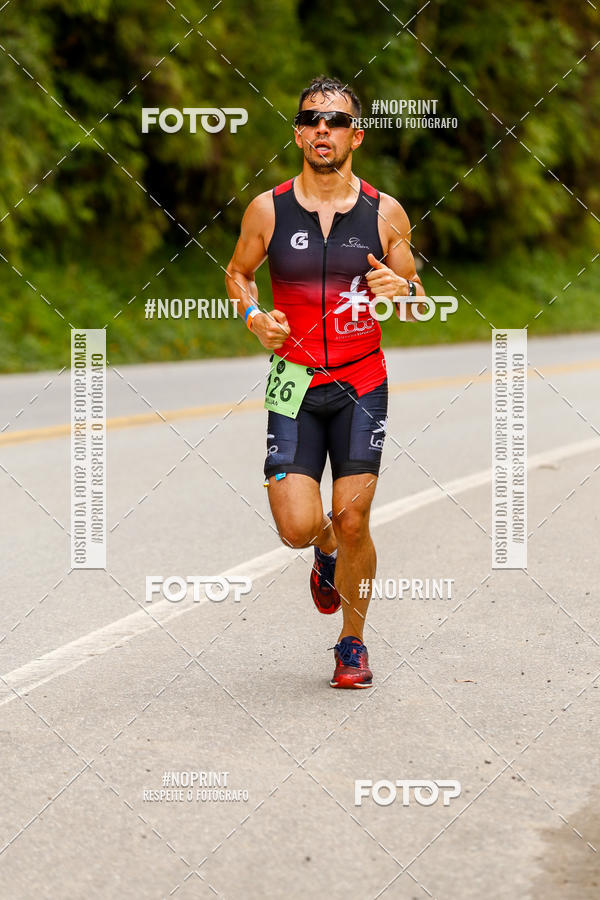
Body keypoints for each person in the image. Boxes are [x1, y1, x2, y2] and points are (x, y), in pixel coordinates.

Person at [225, 75, 425, 688]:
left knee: (354, 516)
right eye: (312, 118)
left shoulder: (385, 212)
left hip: (361, 382)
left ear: (355, 136)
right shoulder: (267, 209)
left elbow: (416, 299)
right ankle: (325, 550)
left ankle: (352, 643)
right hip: (293, 381)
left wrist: (402, 290)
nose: (322, 128)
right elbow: (238, 274)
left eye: (336, 121)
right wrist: (255, 317)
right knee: (295, 528)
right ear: (297, 134)